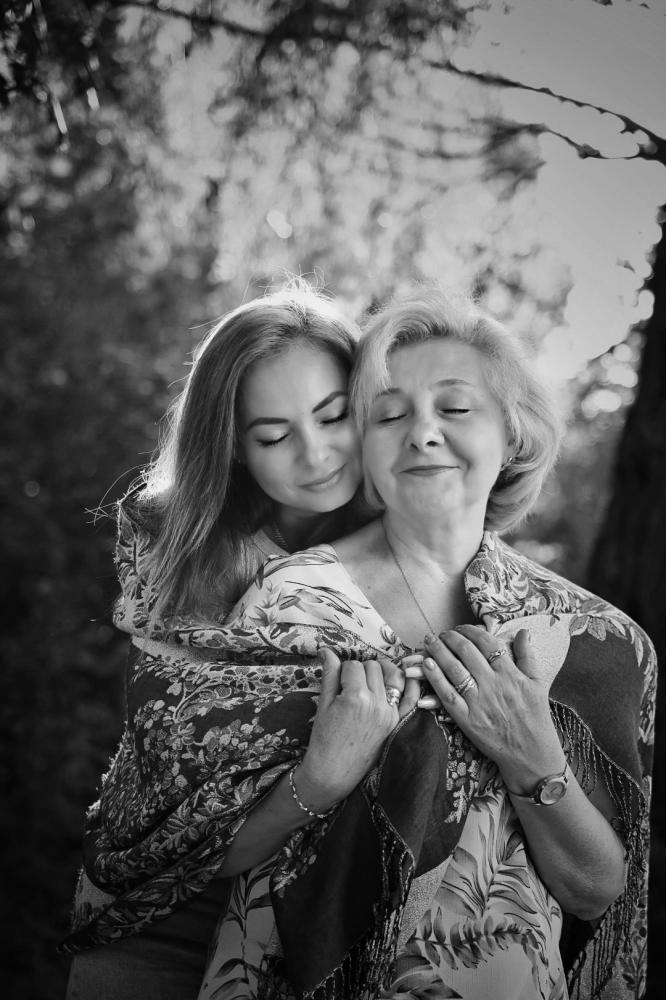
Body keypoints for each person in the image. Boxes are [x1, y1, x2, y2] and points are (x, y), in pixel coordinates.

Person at [187, 290, 654, 1000]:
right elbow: (206, 848)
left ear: (515, 433)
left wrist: (532, 754)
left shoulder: (601, 639)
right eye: (389, 414)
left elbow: (599, 894)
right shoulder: (289, 603)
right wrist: (323, 772)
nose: (423, 433)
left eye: (455, 408)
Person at [62, 281, 368, 999]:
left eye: (334, 416)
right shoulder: (175, 547)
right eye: (274, 435)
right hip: (159, 918)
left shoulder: (414, 554)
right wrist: (318, 783)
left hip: (320, 929)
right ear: (231, 446)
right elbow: (169, 780)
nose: (317, 454)